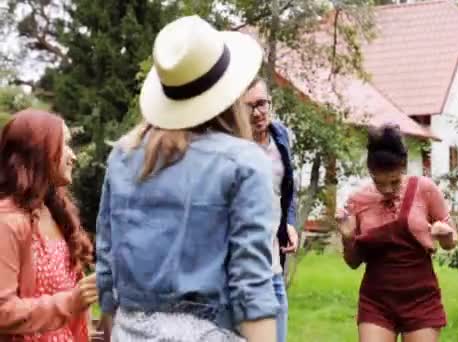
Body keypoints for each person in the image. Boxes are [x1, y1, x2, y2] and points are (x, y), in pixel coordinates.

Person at [95, 15, 279, 342]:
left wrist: (112, 325)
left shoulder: (123, 156)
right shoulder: (244, 162)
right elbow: (251, 285)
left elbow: (107, 266)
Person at [336, 124, 458, 342]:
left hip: (421, 298)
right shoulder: (357, 201)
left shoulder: (425, 189)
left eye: (394, 181)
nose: (388, 190)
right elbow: (354, 262)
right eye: (379, 183)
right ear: (370, 172)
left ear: (403, 166)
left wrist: (446, 235)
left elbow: (452, 241)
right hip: (376, 300)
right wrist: (347, 239)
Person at [0, 109, 96, 341]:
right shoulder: (8, 222)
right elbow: (3, 312)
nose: (73, 156)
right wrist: (72, 301)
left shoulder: (57, 215)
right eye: (66, 145)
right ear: (40, 150)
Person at [243, 77, 298, 342]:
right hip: (244, 267)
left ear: (270, 103)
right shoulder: (234, 146)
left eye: (261, 104)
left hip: (274, 262)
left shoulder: (281, 137)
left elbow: (287, 189)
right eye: (248, 107)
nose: (257, 113)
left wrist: (289, 223)